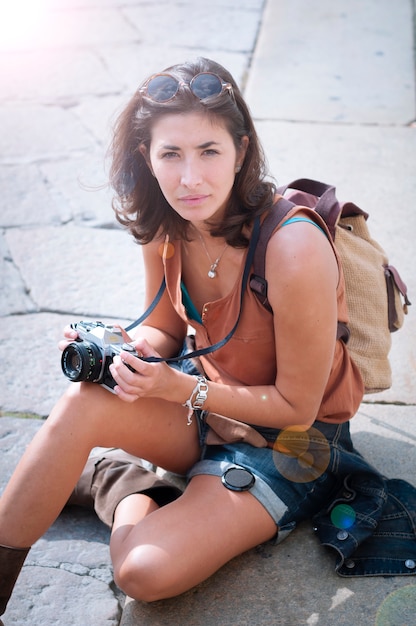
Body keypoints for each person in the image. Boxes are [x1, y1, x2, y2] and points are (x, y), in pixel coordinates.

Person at [0, 57, 414, 619]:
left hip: (292, 442)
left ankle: (125, 487)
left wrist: (178, 392)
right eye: (170, 154)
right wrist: (127, 344)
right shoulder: (167, 221)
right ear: (146, 157)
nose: (189, 178)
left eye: (209, 151)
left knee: (143, 574)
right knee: (80, 402)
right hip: (203, 398)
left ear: (241, 150)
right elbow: (165, 328)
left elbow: (296, 408)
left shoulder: (292, 247)